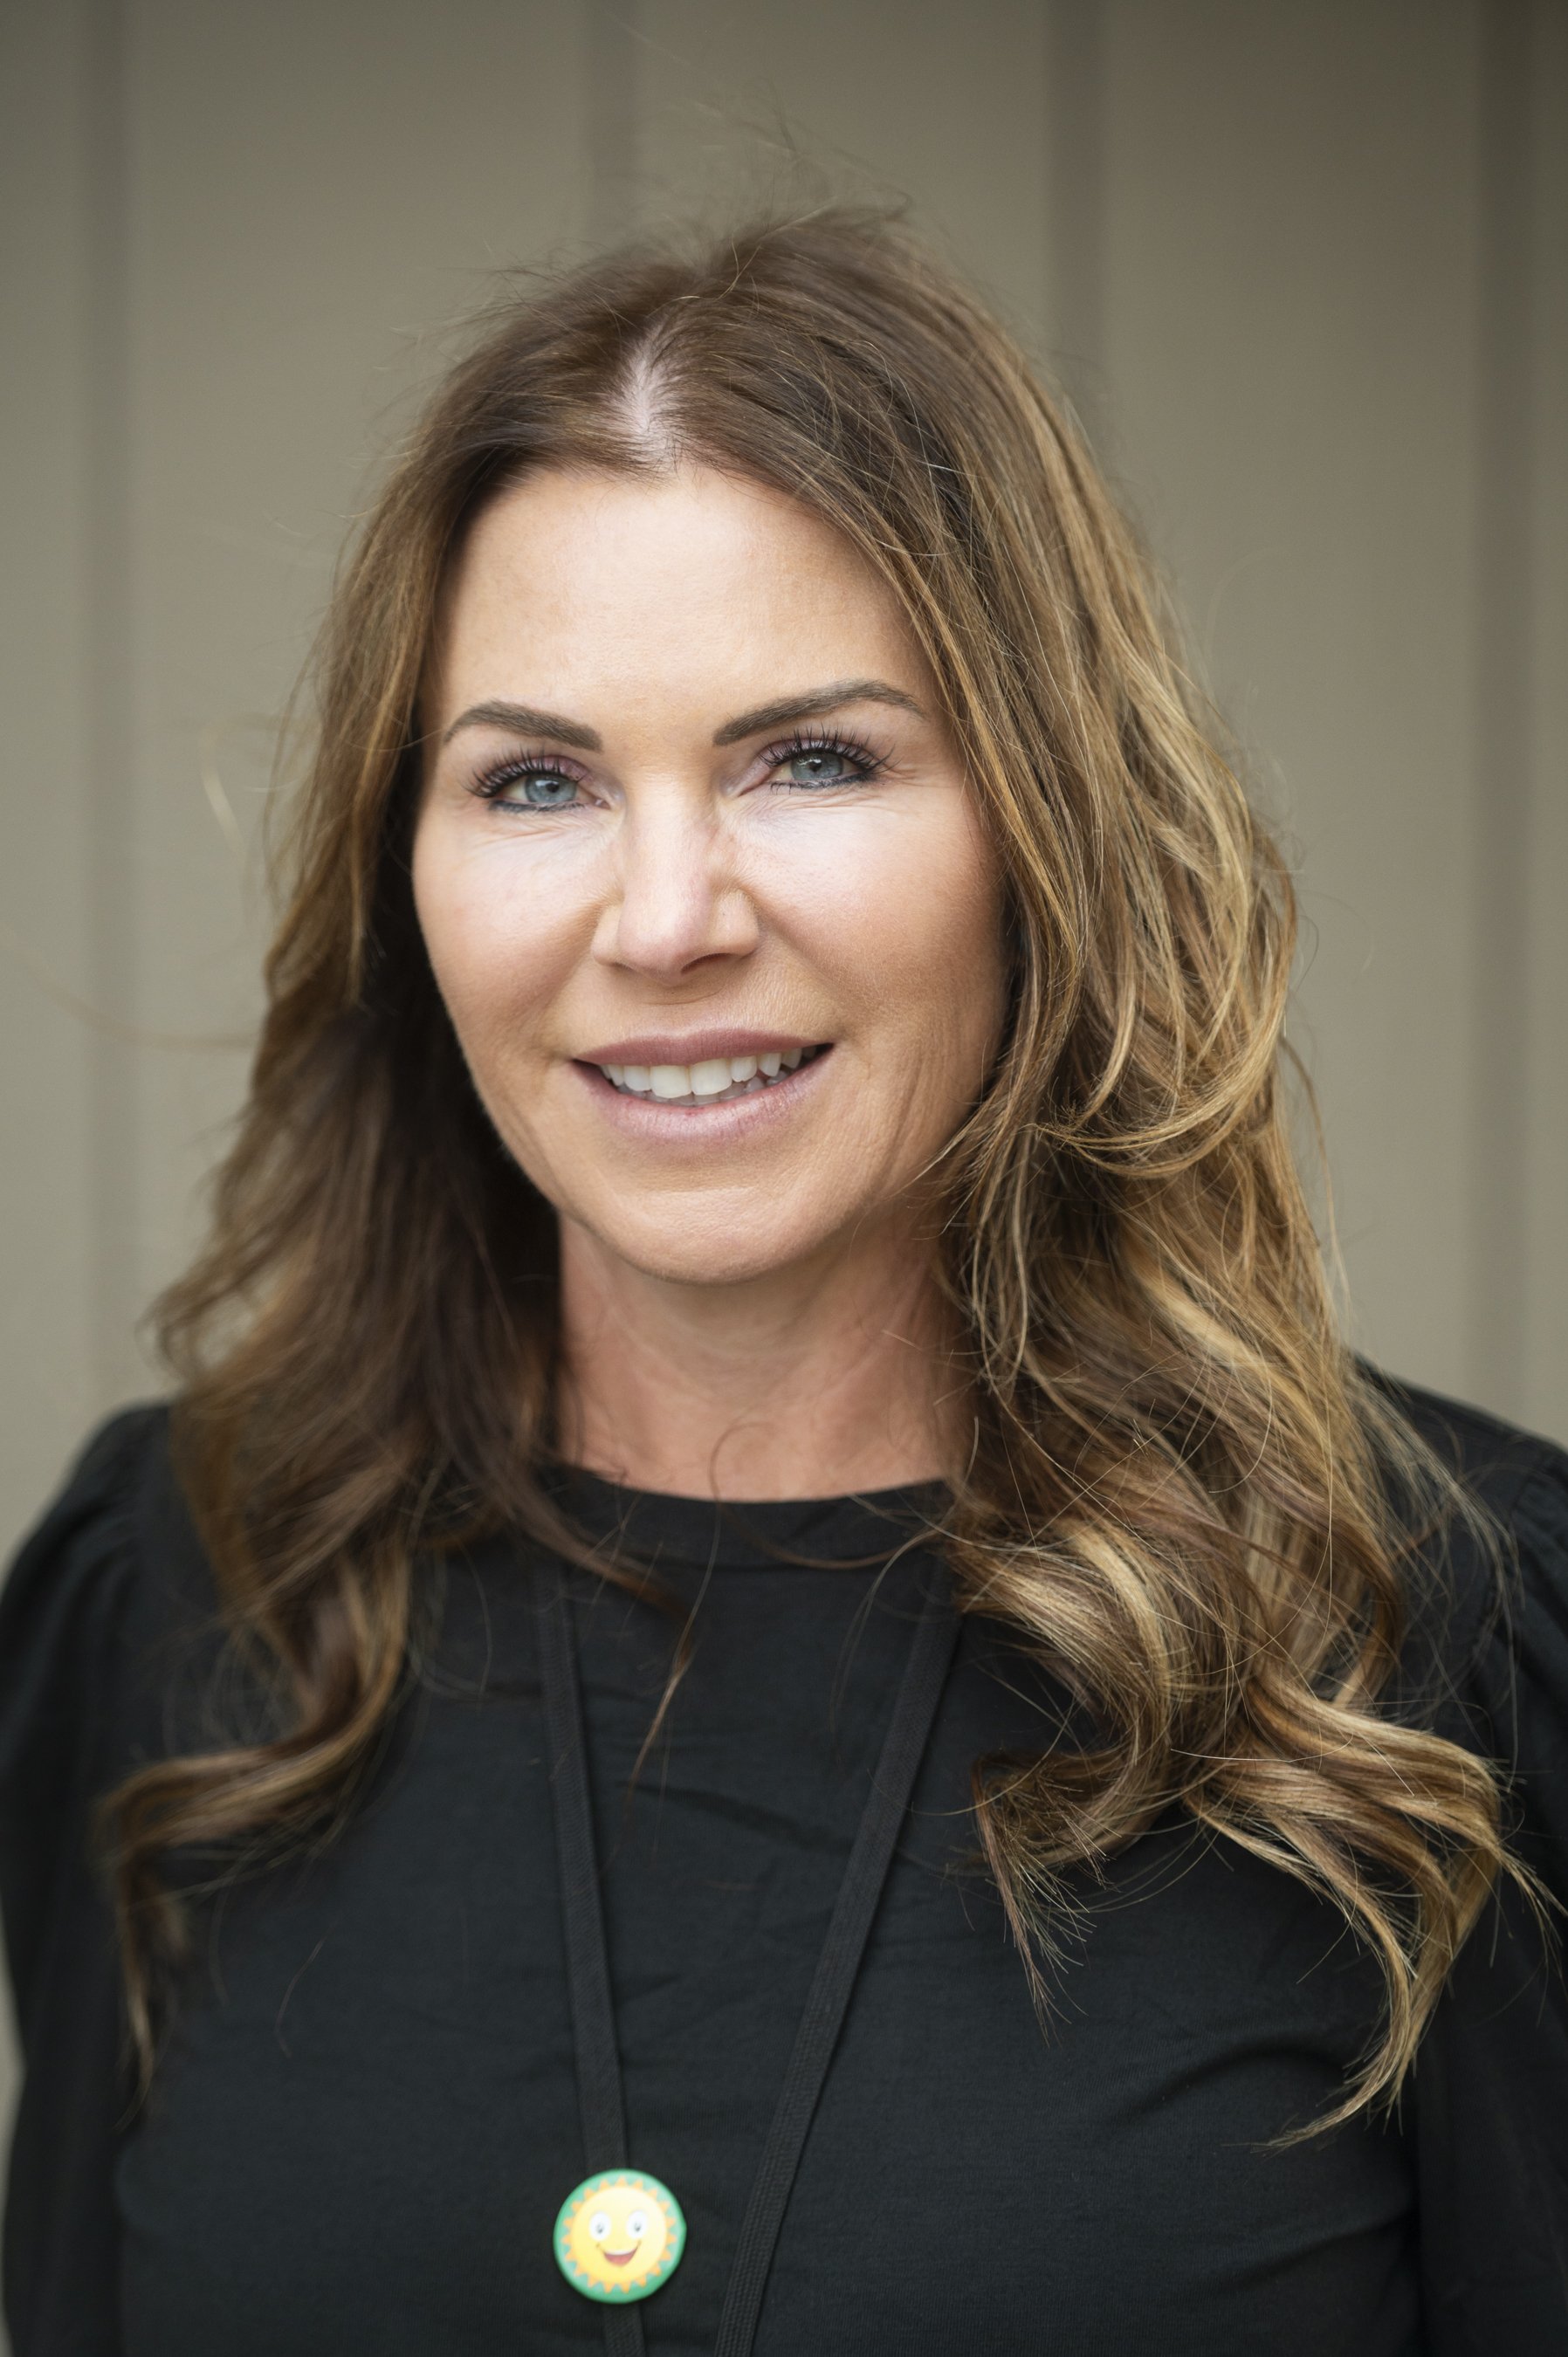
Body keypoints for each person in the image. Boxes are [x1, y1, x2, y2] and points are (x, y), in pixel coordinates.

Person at [2, 211, 1565, 2357]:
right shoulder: (179, 1585)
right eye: (534, 780)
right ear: (407, 873)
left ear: (1045, 838)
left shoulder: (1446, 1645)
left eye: (810, 759)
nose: (662, 916)